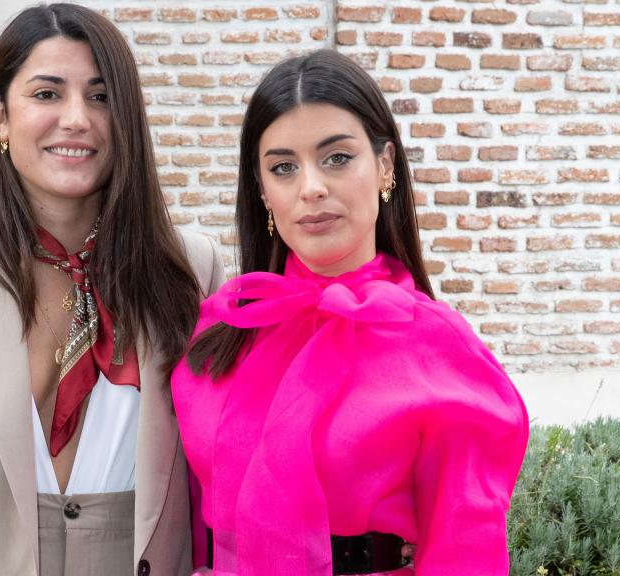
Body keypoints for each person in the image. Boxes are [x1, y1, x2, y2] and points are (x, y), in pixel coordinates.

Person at [0, 5, 224, 576]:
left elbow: (212, 483)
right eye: (47, 94)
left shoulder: (190, 270)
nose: (77, 118)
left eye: (101, 96)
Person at [172, 49, 528, 576]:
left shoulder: (441, 349)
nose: (311, 187)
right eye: (284, 167)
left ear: (384, 165)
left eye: (336, 158)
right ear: (263, 189)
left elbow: (466, 549)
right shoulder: (225, 326)